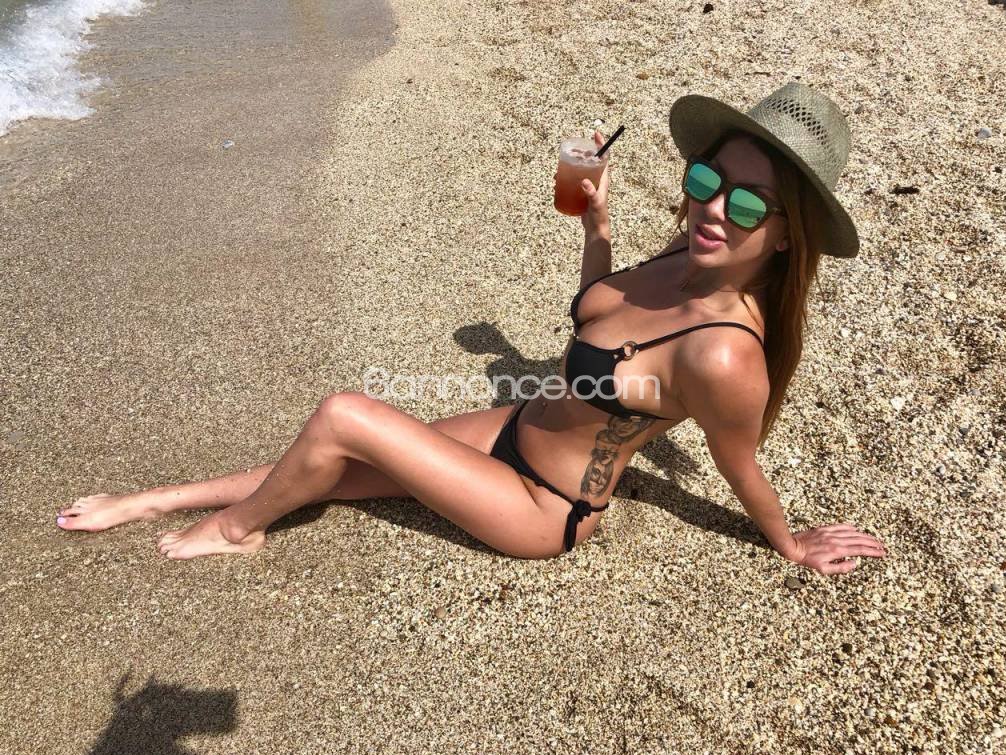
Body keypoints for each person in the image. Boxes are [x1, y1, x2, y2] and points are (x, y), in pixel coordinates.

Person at [56, 81, 888, 574]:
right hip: (515, 428)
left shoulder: (725, 355)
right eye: (707, 181)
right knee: (330, 463)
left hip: (543, 503)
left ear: (788, 233)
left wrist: (789, 541)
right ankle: (157, 499)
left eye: (748, 203)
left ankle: (236, 531)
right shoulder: (690, 251)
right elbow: (600, 311)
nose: (713, 209)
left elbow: (738, 463)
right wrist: (597, 231)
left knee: (346, 416)